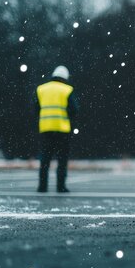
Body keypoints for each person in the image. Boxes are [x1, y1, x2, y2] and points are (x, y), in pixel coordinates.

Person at [35, 65, 78, 193]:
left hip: (46, 128)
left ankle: (42, 187)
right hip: (62, 129)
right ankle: (61, 186)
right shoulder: (67, 90)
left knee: (45, 159)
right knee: (62, 159)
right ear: (65, 77)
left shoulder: (41, 89)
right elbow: (74, 110)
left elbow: (36, 108)